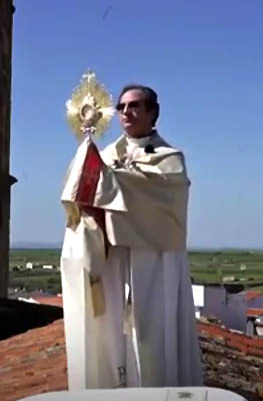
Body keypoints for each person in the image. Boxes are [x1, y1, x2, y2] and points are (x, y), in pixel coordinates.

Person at [59, 84, 203, 389]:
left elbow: (158, 196)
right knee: (109, 332)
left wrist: (106, 181)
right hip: (111, 256)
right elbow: (85, 197)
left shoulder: (169, 158)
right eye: (122, 106)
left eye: (135, 106)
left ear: (152, 114)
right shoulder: (106, 155)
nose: (126, 112)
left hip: (154, 258)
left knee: (152, 331)